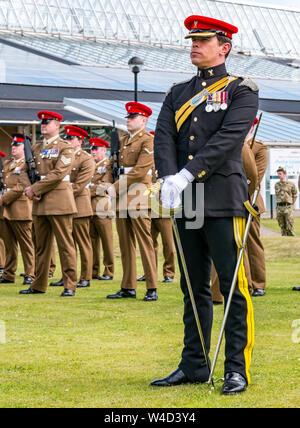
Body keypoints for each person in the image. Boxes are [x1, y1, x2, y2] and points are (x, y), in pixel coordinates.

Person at [151, 15, 258, 394]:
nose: (194, 45)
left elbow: (229, 138)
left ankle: (235, 368)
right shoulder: (177, 91)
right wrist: (167, 176)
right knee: (192, 285)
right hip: (187, 200)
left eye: (203, 40)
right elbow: (163, 135)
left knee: (231, 287)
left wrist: (186, 173)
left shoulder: (241, 90)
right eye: (192, 40)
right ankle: (194, 364)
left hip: (222, 198)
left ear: (223, 46)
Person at [19, 110, 78, 297]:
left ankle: (69, 284)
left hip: (59, 200)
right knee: (41, 247)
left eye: (48, 122)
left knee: (65, 246)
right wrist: (29, 189)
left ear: (57, 125)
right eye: (42, 122)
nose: (43, 125)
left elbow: (59, 173)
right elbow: (22, 171)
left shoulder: (65, 147)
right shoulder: (35, 148)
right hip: (39, 202)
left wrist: (34, 189)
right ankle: (38, 284)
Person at [106, 102, 158, 301]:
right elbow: (112, 165)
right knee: (126, 245)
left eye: (133, 117)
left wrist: (115, 187)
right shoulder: (123, 140)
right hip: (121, 199)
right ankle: (128, 286)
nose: (128, 120)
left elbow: (140, 170)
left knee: (145, 244)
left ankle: (152, 287)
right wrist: (108, 184)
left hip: (137, 197)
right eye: (128, 117)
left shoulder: (148, 141)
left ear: (143, 120)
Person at [50, 125, 95, 288]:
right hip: (64, 205)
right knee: (66, 244)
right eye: (67, 138)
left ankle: (85, 276)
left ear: (80, 141)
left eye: (71, 138)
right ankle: (67, 276)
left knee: (83, 243)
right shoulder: (64, 155)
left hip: (79, 205)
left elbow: (81, 184)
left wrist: (62, 194)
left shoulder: (85, 158)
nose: (68, 140)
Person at [0, 134, 35, 285]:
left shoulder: (26, 163)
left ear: (24, 148)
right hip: (6, 209)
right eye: (13, 146)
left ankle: (30, 273)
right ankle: (8, 273)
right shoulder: (8, 163)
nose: (13, 148)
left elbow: (22, 186)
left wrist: (4, 198)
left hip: (20, 208)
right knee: (9, 245)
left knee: (26, 245)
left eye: (17, 146)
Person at [89, 137, 115, 281]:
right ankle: (93, 270)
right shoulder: (90, 165)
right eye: (92, 149)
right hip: (90, 208)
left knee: (107, 242)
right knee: (92, 242)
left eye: (96, 149)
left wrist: (87, 191)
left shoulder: (107, 165)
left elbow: (104, 185)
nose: (93, 152)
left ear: (104, 150)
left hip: (102, 207)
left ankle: (109, 271)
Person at [275, 167, 297, 236]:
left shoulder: (291, 184)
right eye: (278, 174)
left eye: (280, 174)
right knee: (282, 227)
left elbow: (295, 195)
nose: (278, 175)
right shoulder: (277, 185)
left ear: (284, 174)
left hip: (288, 207)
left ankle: (293, 243)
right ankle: (284, 241)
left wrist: (291, 204)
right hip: (279, 208)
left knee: (290, 226)